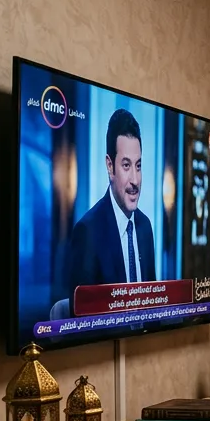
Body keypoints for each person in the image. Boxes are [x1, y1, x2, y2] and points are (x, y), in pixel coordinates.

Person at [66, 109, 154, 301]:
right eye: (126, 165)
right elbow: (82, 316)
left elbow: (153, 308)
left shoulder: (145, 228)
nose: (135, 180)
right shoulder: (88, 232)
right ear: (110, 166)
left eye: (138, 166)